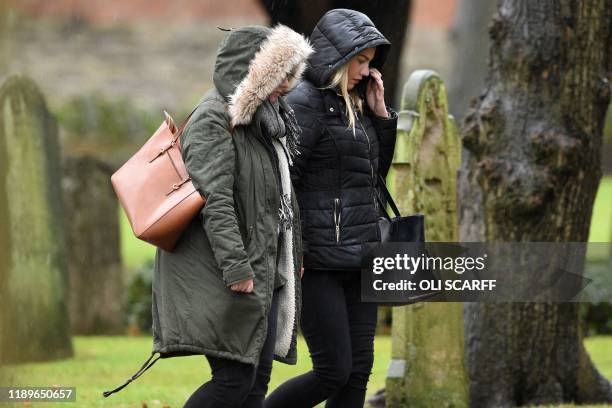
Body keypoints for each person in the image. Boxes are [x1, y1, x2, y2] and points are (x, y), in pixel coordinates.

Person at [103, 25, 312, 408]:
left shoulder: (267, 124)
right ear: (256, 72)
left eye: (292, 74)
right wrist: (237, 269)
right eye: (281, 74)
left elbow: (280, 200)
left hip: (264, 270)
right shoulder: (214, 119)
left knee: (255, 381)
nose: (288, 85)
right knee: (233, 381)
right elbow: (217, 202)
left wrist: (293, 254)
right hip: (222, 271)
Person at [265, 9, 398, 408]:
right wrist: (295, 248)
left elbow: (372, 175)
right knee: (332, 370)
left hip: (362, 255)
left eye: (370, 63)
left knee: (358, 371)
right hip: (319, 260)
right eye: (360, 60)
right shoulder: (304, 102)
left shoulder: (355, 104)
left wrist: (380, 116)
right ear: (336, 56)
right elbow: (285, 182)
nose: (365, 71)